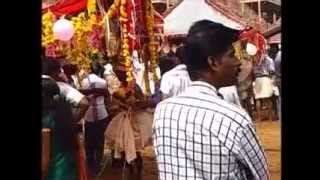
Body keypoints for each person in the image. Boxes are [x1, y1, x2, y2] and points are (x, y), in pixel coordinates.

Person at [153, 20, 269, 180]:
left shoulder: (162, 112)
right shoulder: (235, 120)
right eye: (231, 55)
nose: (238, 61)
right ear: (213, 62)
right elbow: (261, 175)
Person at [42, 77, 79, 180]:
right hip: (69, 171)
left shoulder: (47, 121)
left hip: (54, 174)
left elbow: (44, 163)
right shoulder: (64, 116)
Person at [79, 61, 110, 177]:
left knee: (89, 140)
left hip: (88, 114)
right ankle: (98, 164)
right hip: (101, 113)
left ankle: (90, 165)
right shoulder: (103, 82)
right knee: (100, 140)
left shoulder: (83, 82)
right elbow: (107, 97)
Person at [42, 58, 90, 122]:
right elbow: (84, 103)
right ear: (54, 72)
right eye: (59, 71)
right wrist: (72, 121)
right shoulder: (61, 86)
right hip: (56, 128)